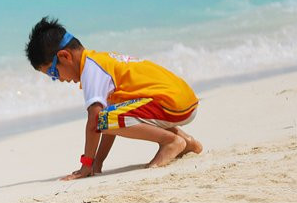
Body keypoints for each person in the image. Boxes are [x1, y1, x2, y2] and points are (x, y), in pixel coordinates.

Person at [25, 17, 202, 180]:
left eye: (54, 73)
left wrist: (86, 165)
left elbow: (96, 123)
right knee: (109, 116)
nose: (60, 80)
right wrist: (98, 162)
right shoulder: (100, 61)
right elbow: (111, 125)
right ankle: (187, 142)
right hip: (182, 101)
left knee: (102, 118)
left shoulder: (91, 70)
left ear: (65, 56)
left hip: (172, 104)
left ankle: (171, 141)